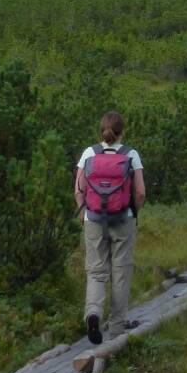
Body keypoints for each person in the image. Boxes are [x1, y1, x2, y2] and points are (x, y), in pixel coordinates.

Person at [74, 111, 146, 345]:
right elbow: (140, 192)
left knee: (96, 272)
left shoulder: (89, 153)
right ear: (122, 131)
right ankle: (116, 329)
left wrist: (85, 211)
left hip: (94, 220)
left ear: (101, 131)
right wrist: (134, 212)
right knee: (121, 272)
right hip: (122, 219)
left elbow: (79, 189)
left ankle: (93, 313)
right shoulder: (131, 155)